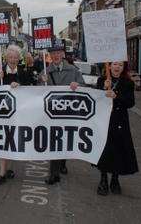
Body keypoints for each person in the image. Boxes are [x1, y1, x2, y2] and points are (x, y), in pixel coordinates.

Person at [43, 39, 85, 185]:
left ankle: (62, 163)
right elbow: (37, 93)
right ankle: (54, 174)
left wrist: (77, 85)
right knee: (54, 141)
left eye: (58, 53)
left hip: (68, 112)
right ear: (50, 55)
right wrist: (41, 82)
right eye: (53, 53)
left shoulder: (73, 70)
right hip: (52, 113)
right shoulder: (45, 72)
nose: (55, 55)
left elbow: (84, 87)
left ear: (62, 54)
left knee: (65, 139)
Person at [96, 61, 138, 196]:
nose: (117, 67)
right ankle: (103, 179)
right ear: (109, 66)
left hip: (120, 121)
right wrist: (103, 89)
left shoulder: (128, 83)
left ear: (123, 68)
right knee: (104, 150)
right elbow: (95, 98)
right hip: (104, 120)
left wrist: (116, 96)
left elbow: (130, 102)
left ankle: (115, 179)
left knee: (118, 151)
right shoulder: (102, 80)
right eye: (114, 64)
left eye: (120, 65)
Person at [0, 45, 27, 186]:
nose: (13, 60)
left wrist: (20, 85)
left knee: (13, 142)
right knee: (2, 142)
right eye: (10, 57)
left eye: (15, 57)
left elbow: (31, 89)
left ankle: (9, 169)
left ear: (19, 58)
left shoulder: (23, 72)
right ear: (6, 58)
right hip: (2, 114)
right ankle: (1, 172)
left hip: (18, 114)